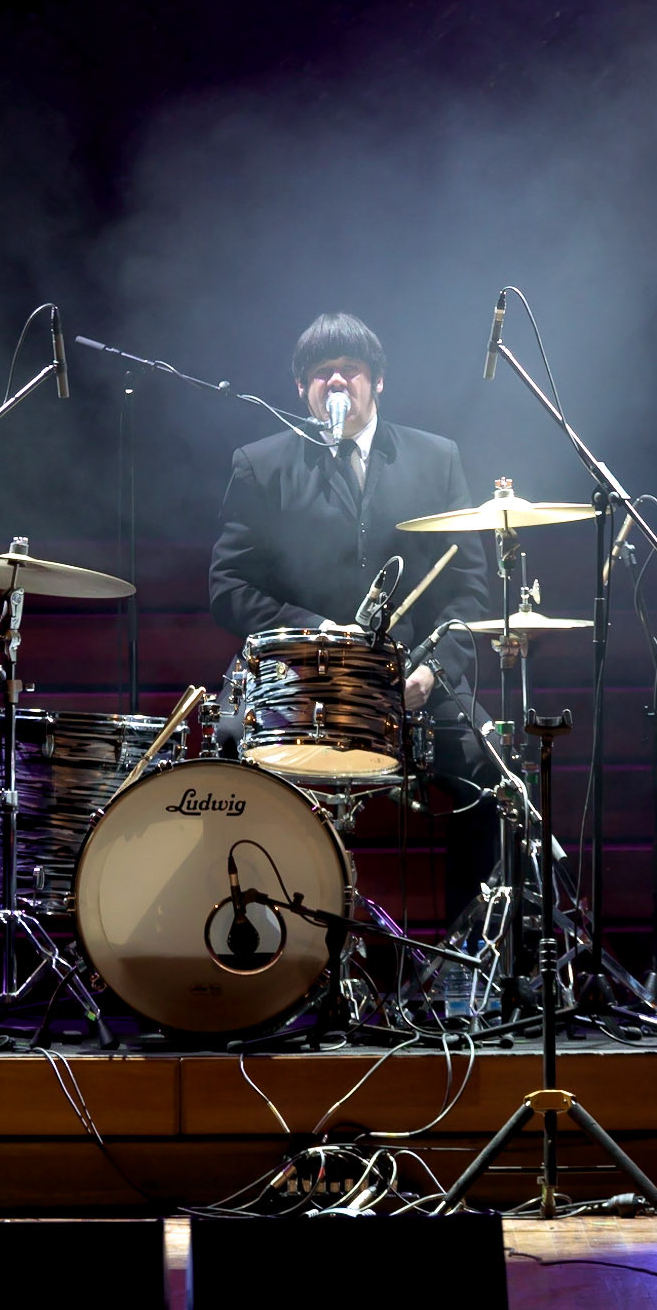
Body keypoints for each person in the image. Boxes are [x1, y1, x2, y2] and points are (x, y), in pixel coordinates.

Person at [208, 312, 498, 919]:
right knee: (229, 758)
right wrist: (311, 629)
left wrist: (434, 669)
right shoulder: (260, 464)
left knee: (489, 768)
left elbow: (471, 587)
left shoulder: (436, 458)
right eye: (322, 375)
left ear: (378, 382)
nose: (337, 384)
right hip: (297, 675)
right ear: (301, 389)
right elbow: (227, 586)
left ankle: (463, 967)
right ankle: (253, 949)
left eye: (351, 371)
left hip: (410, 677)